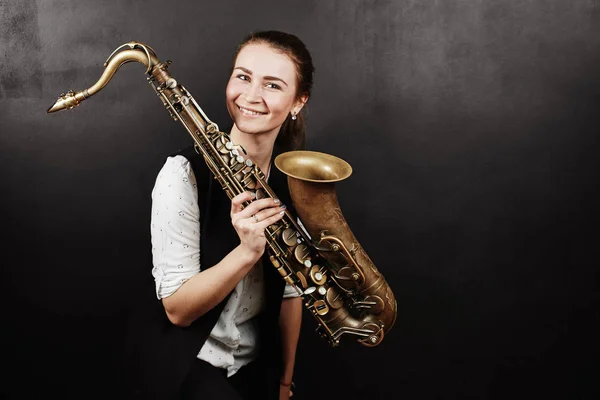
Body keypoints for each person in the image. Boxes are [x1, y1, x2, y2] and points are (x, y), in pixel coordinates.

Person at [128, 30, 315, 400]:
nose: (250, 96)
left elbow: (292, 295)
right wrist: (247, 252)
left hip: (255, 369)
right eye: (243, 76)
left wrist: (284, 382)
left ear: (299, 101)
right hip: (186, 369)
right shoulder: (182, 175)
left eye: (273, 85)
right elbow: (178, 311)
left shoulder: (294, 183)